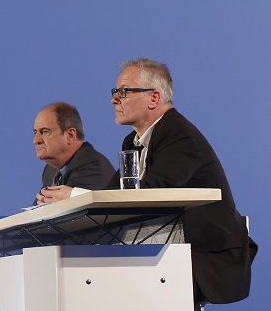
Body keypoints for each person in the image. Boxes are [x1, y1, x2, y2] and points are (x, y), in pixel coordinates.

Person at [40, 58, 256, 307]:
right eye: (115, 92)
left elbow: (153, 194)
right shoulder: (131, 142)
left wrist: (74, 195)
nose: (114, 99)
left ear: (153, 98)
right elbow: (113, 195)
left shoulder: (178, 134)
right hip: (167, 243)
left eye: (123, 92)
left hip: (206, 253)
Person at [32, 102, 113, 205]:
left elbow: (72, 215)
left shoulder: (91, 167)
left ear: (70, 135)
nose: (36, 140)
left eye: (45, 131)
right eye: (35, 132)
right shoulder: (50, 170)